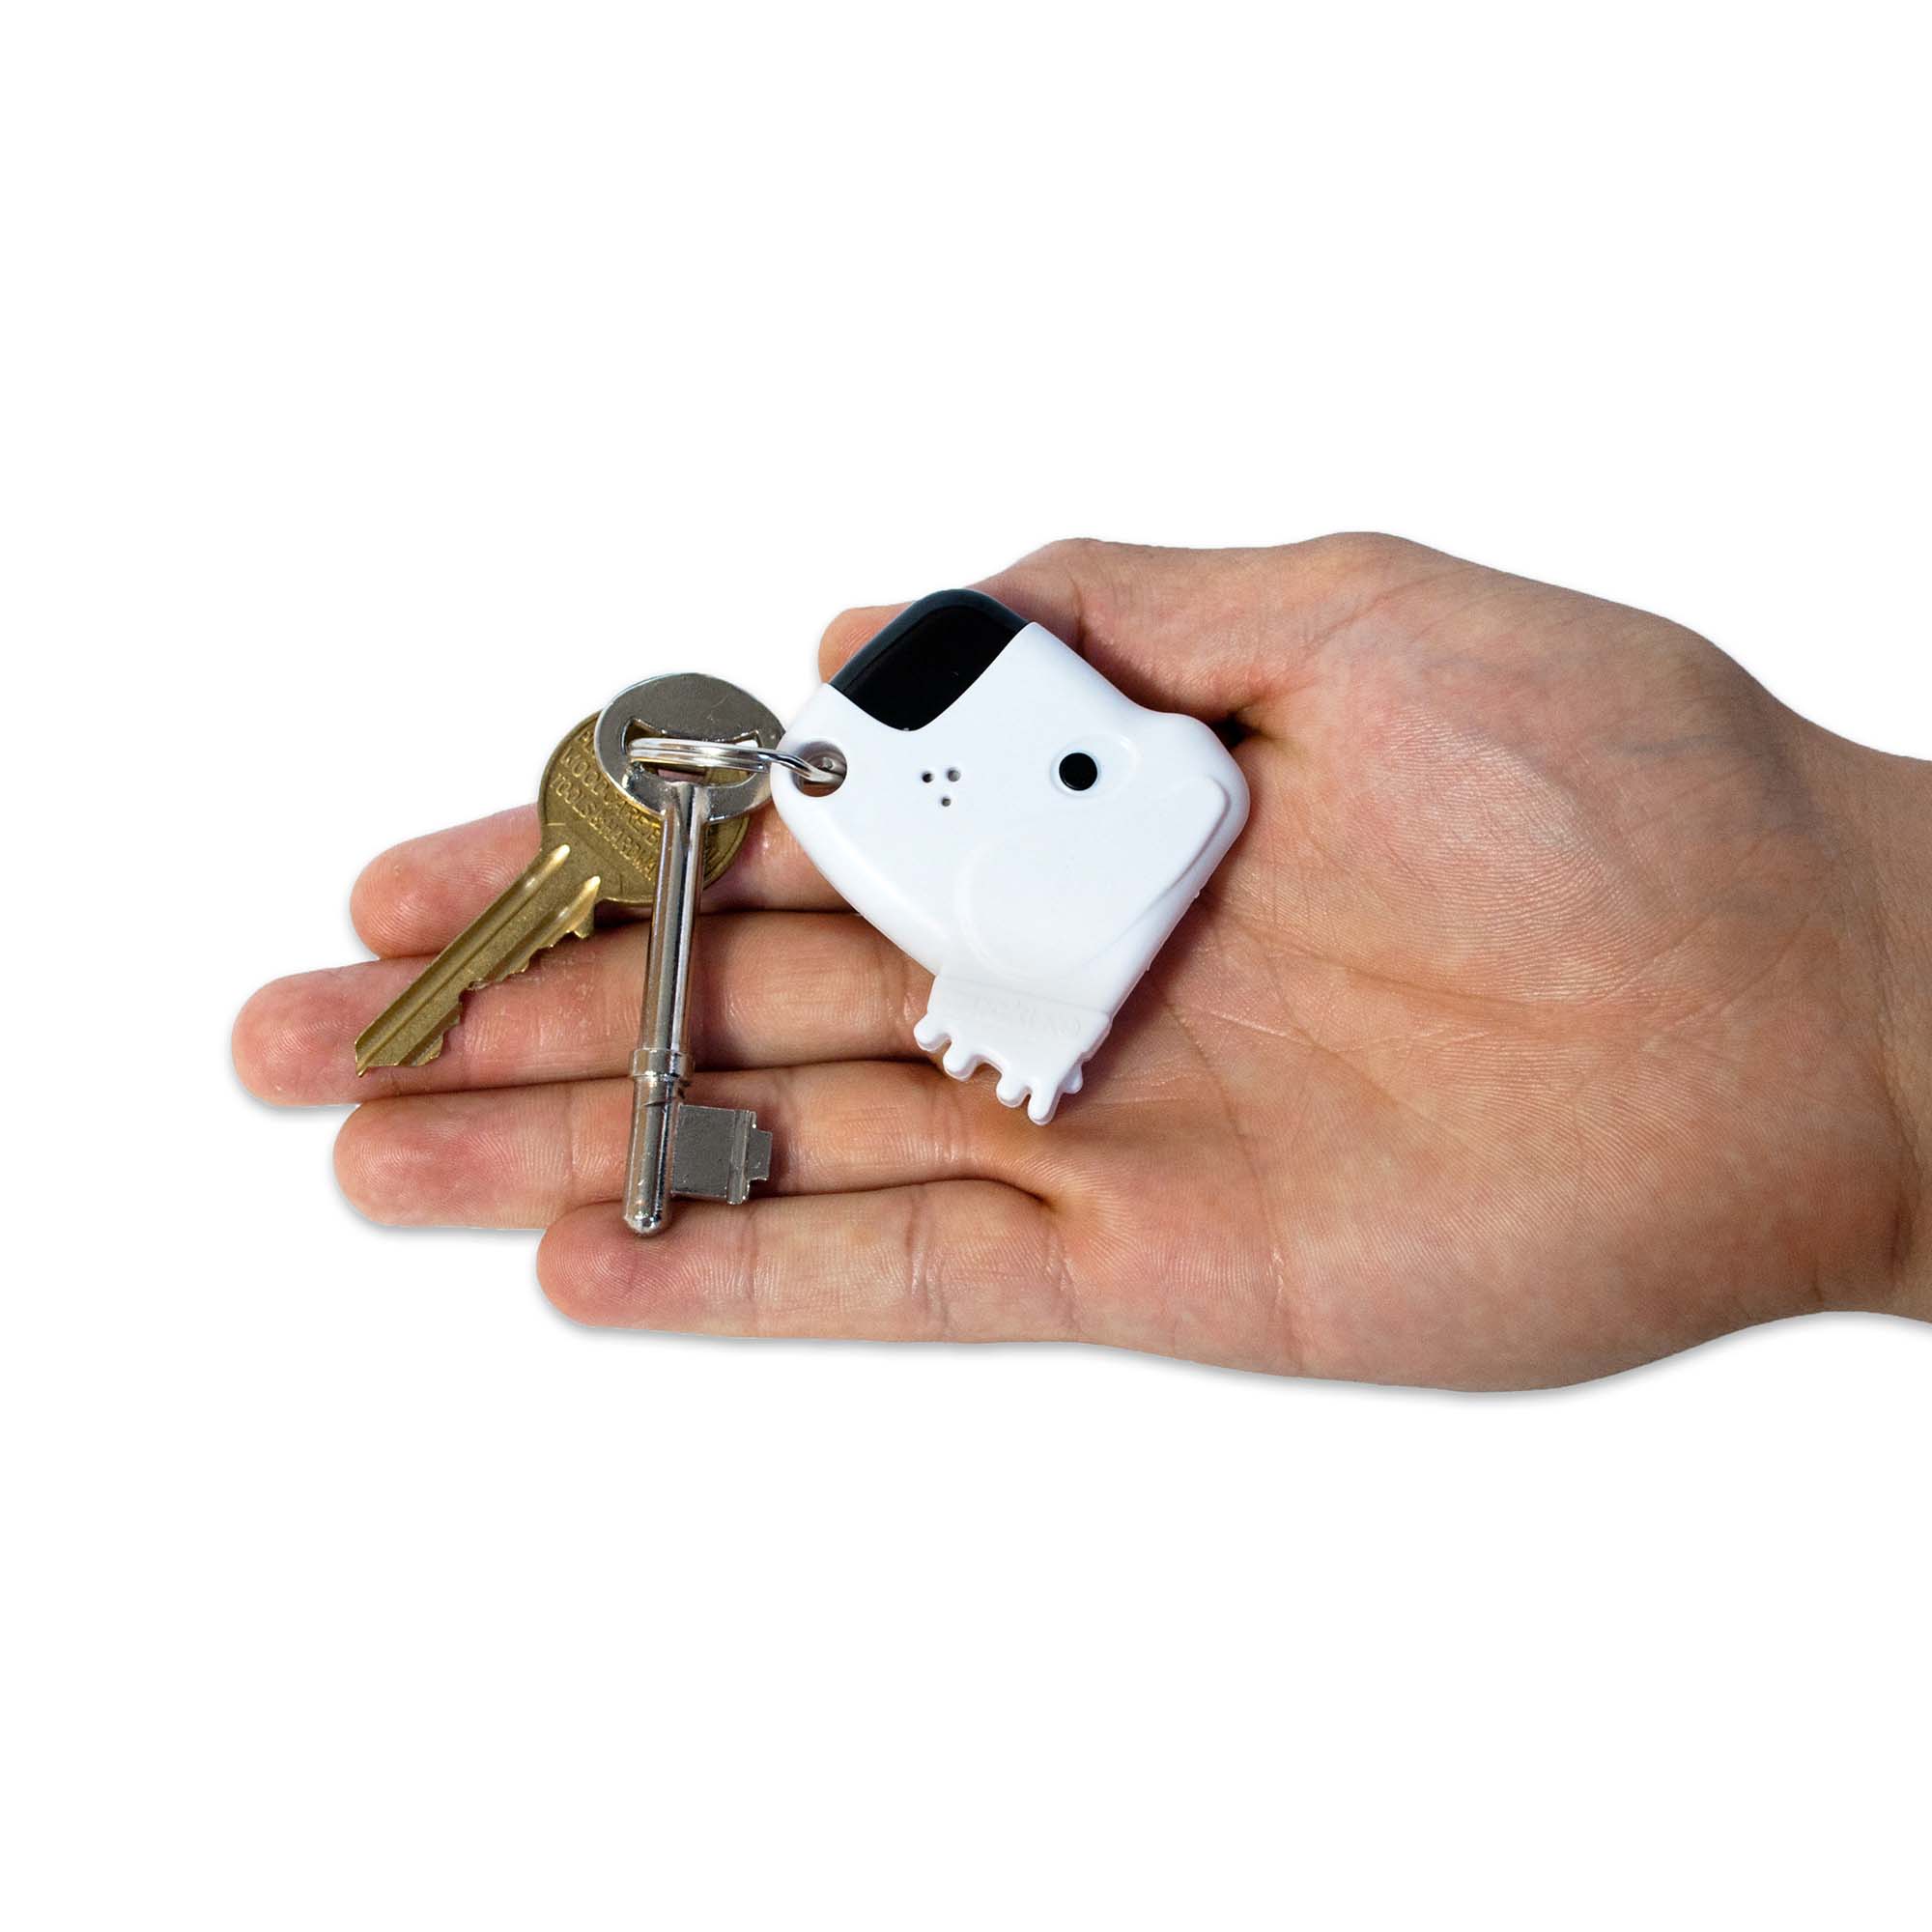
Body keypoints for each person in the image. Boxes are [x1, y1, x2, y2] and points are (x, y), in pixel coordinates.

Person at [232, 536, 1930, 1387]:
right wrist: (1861, 1020)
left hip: (1041, 975)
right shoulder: (854, 807)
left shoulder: (886, 806)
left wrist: (1853, 975)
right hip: (1031, 974)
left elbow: (1149, 793)